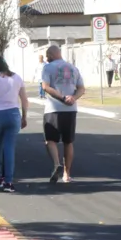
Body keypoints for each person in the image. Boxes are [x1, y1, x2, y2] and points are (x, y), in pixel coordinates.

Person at [0, 56, 28, 192]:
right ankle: (8, 181)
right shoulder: (17, 78)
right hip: (13, 115)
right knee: (9, 148)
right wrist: (24, 116)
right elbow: (24, 100)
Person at [41, 45, 85, 183]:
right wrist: (73, 98)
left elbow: (45, 86)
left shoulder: (47, 68)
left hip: (53, 109)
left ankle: (56, 163)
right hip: (70, 110)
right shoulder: (73, 68)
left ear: (52, 55)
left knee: (50, 140)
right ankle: (67, 174)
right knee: (68, 141)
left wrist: (61, 98)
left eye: (47, 55)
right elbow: (82, 88)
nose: (46, 58)